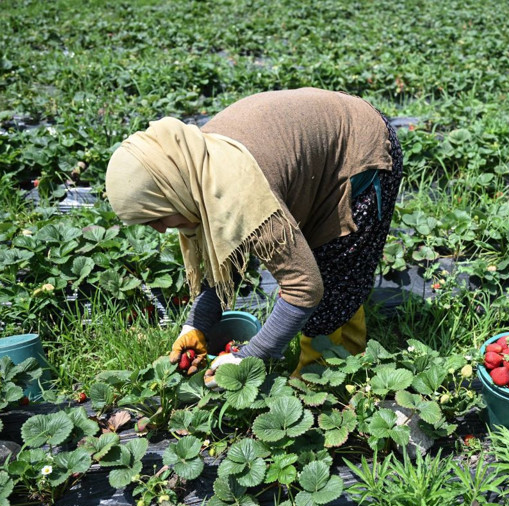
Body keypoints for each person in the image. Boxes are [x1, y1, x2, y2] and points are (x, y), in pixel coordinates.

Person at [104, 87, 403, 383]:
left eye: (157, 216)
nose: (159, 228)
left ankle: (330, 375)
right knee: (321, 265)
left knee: (336, 274)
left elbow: (305, 288)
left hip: (363, 150)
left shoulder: (238, 190)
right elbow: (229, 260)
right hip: (325, 142)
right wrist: (196, 326)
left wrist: (249, 355)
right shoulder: (193, 166)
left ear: (172, 192)